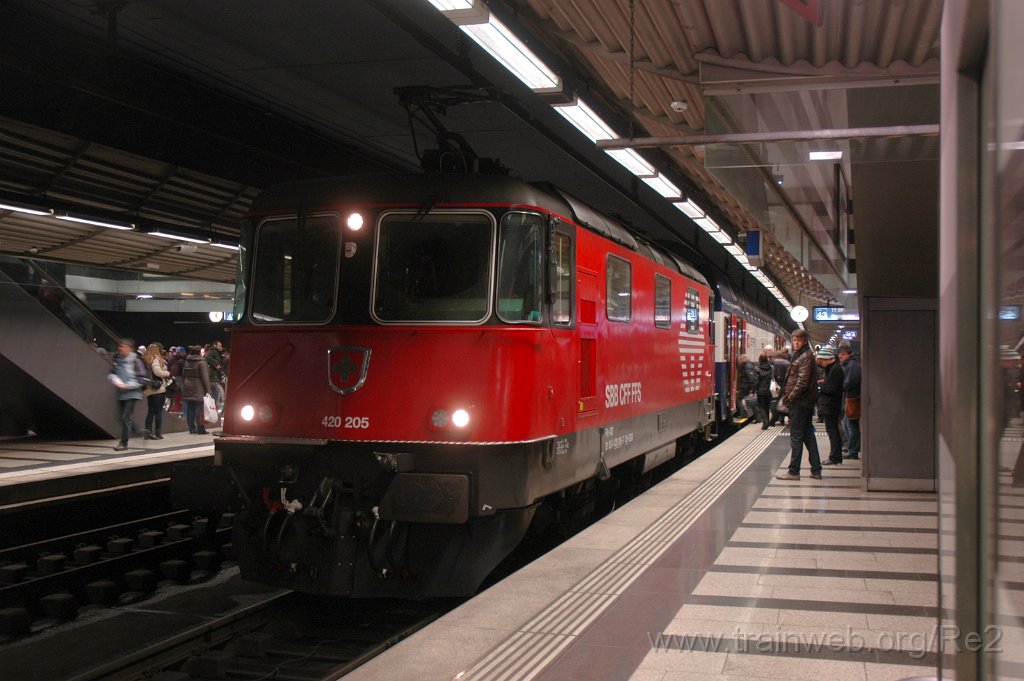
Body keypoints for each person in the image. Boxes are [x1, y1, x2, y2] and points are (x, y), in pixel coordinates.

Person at [776, 329, 823, 480]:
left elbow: (802, 382)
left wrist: (790, 397)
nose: (795, 343)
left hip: (800, 402)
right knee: (808, 436)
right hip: (804, 402)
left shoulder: (805, 357)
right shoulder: (804, 355)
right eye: (794, 340)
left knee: (796, 436)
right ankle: (816, 469)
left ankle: (794, 471)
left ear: (804, 341)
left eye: (798, 340)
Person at [108, 337, 146, 451]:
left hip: (132, 393)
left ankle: (123, 443)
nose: (120, 348)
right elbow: (111, 373)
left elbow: (142, 378)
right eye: (119, 346)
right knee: (122, 417)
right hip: (121, 393)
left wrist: (127, 385)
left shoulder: (136, 361)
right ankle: (139, 432)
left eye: (123, 346)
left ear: (130, 348)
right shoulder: (118, 359)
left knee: (126, 417)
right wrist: (114, 379)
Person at [815, 346, 845, 465]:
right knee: (833, 431)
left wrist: (820, 388)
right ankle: (835, 456)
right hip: (831, 405)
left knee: (832, 431)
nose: (821, 364)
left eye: (822, 361)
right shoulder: (834, 368)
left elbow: (832, 388)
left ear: (827, 359)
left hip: (831, 405)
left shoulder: (835, 370)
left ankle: (834, 457)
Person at [838, 341, 862, 460]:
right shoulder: (853, 363)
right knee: (848, 424)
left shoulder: (852, 365)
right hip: (852, 397)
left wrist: (840, 386)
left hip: (853, 398)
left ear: (846, 354)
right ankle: (853, 448)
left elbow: (850, 381)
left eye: (841, 357)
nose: (841, 359)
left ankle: (853, 451)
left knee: (850, 425)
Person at [141, 343, 171, 440]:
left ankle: (147, 432)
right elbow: (157, 372)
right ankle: (158, 433)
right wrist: (167, 373)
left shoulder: (145, 360)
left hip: (149, 389)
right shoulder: (156, 359)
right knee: (158, 412)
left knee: (150, 411)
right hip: (158, 389)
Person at [181, 345, 212, 435]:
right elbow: (205, 377)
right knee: (199, 407)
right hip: (198, 387)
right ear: (199, 352)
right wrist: (208, 390)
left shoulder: (187, 361)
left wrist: (184, 385)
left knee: (190, 408)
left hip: (187, 385)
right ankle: (200, 428)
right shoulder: (202, 362)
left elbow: (183, 375)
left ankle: (191, 428)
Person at [768, 351, 790, 426]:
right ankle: (781, 419)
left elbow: (779, 377)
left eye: (770, 357)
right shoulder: (786, 362)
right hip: (788, 386)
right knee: (785, 403)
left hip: (785, 387)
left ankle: (774, 420)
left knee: (778, 404)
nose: (769, 360)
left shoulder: (778, 363)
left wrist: (779, 385)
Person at [205, 340, 227, 412]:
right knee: (214, 393)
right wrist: (216, 364)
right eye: (219, 346)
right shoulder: (212, 351)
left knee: (216, 394)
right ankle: (211, 411)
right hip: (212, 377)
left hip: (215, 376)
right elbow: (207, 357)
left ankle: (212, 410)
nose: (221, 347)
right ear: (215, 345)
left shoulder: (217, 353)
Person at [754, 352, 774, 430]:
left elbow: (756, 380)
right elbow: (773, 377)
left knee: (761, 406)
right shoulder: (771, 367)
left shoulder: (757, 368)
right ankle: (767, 423)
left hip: (760, 390)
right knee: (767, 406)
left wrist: (753, 389)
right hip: (769, 390)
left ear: (760, 359)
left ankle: (765, 421)